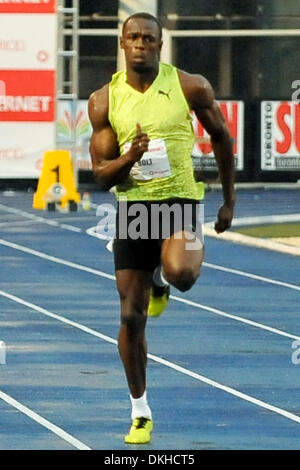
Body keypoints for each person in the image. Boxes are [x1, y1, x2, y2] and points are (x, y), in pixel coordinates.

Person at [88, 12, 235, 445]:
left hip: (182, 205)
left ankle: (162, 278)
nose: (139, 44)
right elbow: (99, 176)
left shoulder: (191, 86)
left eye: (147, 38)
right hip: (134, 210)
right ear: (121, 43)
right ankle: (140, 411)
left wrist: (228, 200)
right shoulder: (103, 101)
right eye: (132, 37)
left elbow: (223, 137)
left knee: (183, 274)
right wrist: (129, 159)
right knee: (130, 317)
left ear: (159, 44)